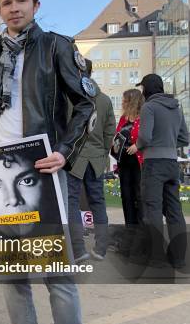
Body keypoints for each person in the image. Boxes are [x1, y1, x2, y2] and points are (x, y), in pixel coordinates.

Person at [0, 0, 95, 324]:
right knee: (12, 273)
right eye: (7, 2)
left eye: (21, 0)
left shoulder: (56, 46)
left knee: (58, 277)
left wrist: (65, 151)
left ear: (36, 4)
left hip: (43, 170)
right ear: (0, 8)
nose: (14, 8)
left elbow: (87, 104)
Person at [135, 74, 189, 268]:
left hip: (153, 164)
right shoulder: (176, 107)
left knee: (153, 211)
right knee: (175, 212)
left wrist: (138, 145)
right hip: (172, 164)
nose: (141, 92)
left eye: (142, 89)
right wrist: (169, 143)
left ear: (147, 89)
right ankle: (179, 259)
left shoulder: (149, 107)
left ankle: (156, 258)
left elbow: (145, 137)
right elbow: (185, 138)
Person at [67, 60, 116, 262]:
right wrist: (103, 154)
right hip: (96, 158)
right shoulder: (104, 99)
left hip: (74, 157)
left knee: (71, 202)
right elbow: (109, 131)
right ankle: (101, 248)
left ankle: (78, 249)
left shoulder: (70, 96)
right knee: (98, 202)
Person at [114, 88, 144, 254]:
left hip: (138, 164)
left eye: (125, 100)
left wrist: (137, 145)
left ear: (132, 101)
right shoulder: (123, 118)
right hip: (124, 164)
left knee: (139, 199)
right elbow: (117, 136)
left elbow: (147, 138)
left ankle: (141, 241)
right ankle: (130, 239)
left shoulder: (144, 118)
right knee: (127, 199)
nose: (123, 103)